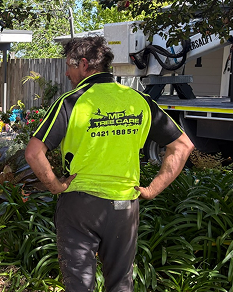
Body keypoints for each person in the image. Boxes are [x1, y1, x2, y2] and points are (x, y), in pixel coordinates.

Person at [23, 36, 194, 292]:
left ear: (83, 64)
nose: (66, 73)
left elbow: (34, 153)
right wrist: (153, 189)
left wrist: (55, 185)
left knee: (79, 286)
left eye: (68, 66)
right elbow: (183, 146)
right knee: (120, 284)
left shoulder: (71, 102)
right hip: (124, 208)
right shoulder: (140, 101)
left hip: (79, 208)